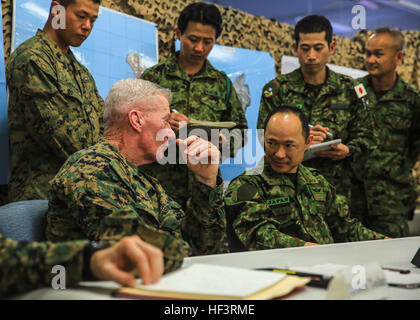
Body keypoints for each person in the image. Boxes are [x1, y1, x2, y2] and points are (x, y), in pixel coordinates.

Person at [46, 78, 229, 257]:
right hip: (100, 287)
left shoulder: (144, 181)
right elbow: (139, 255)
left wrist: (206, 181)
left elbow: (204, 249)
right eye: (165, 121)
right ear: (136, 120)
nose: (171, 133)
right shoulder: (91, 170)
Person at [225, 106, 388, 251]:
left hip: (327, 266)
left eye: (289, 145)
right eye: (271, 143)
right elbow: (258, 234)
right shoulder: (248, 185)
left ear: (307, 142)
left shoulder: (316, 181)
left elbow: (344, 227)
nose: (279, 154)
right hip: (281, 273)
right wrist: (305, 249)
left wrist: (383, 242)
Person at [141, 2, 248, 208]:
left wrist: (222, 143)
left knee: (205, 237)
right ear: (178, 33)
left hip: (205, 186)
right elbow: (135, 127)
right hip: (159, 187)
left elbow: (241, 132)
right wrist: (163, 123)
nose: (200, 48)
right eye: (193, 39)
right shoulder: (154, 77)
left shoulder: (221, 83)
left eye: (208, 41)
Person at [257, 15, 373, 203]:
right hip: (288, 193)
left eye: (318, 48)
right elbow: (263, 136)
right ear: (295, 49)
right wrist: (300, 139)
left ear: (331, 48)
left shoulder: (350, 89)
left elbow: (368, 138)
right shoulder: (278, 89)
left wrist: (348, 150)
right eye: (305, 48)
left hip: (336, 194)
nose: (311, 56)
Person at [6, 0, 104, 202]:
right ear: (56, 10)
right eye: (81, 16)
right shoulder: (33, 58)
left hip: (76, 196)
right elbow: (68, 141)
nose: (87, 26)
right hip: (40, 199)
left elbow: (105, 123)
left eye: (93, 20)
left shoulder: (80, 71)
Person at [350, 28, 420, 238]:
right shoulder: (352, 92)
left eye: (378, 54)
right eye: (368, 53)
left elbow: (415, 146)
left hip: (391, 202)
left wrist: (392, 168)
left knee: (392, 262)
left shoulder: (412, 99)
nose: (371, 60)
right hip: (353, 199)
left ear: (399, 57)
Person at [0, 234, 169, 298]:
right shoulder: (92, 165)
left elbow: (184, 243)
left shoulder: (150, 183)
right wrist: (89, 259)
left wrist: (91, 261)